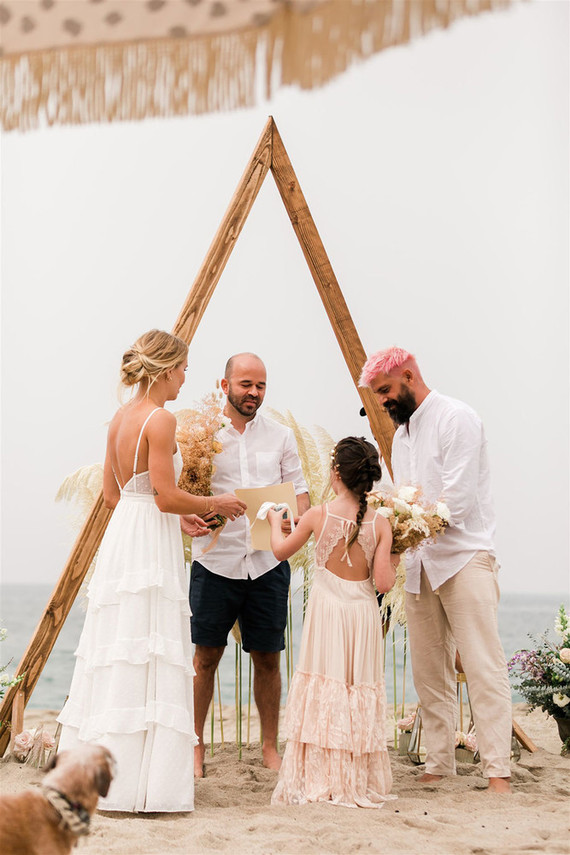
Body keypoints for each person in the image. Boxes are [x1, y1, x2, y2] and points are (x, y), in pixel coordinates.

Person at [57, 330, 246, 812]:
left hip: (126, 534)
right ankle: (142, 784)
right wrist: (215, 502)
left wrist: (175, 517)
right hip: (147, 543)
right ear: (165, 370)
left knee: (120, 643)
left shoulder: (120, 418)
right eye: (183, 369)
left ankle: (98, 775)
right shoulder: (159, 420)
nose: (185, 378)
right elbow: (164, 494)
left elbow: (114, 495)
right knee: (148, 643)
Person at [359, 346, 512, 794]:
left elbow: (456, 501)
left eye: (386, 390)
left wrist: (402, 529)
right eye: (377, 394)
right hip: (420, 564)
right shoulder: (402, 436)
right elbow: (404, 495)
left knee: (483, 667)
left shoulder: (456, 418)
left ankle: (498, 772)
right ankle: (440, 763)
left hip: (465, 558)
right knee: (429, 672)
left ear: (409, 376)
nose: (382, 401)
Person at [190, 352, 310, 777]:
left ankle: (269, 748)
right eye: (245, 385)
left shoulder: (281, 436)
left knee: (269, 658)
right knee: (205, 657)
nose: (254, 393)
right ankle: (195, 746)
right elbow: (184, 491)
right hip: (214, 562)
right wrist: (193, 516)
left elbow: (300, 494)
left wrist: (293, 518)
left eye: (260, 386)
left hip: (267, 563)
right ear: (224, 386)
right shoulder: (200, 435)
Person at [267, 436, 396, 808]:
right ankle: (354, 777)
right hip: (362, 616)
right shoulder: (381, 523)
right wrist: (394, 555)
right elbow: (384, 584)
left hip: (327, 614)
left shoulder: (317, 515)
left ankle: (320, 775)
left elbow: (280, 552)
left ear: (336, 472)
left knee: (326, 684)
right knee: (356, 686)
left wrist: (275, 521)